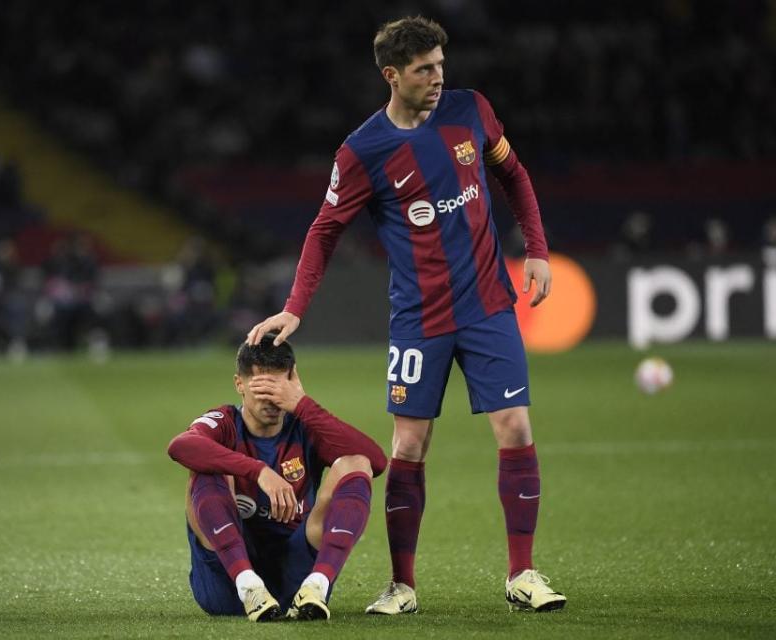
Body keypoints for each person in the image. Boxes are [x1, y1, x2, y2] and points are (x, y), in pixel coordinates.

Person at [247, 16, 566, 613]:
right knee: (410, 445)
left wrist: (539, 251)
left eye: (441, 65)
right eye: (424, 70)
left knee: (516, 428)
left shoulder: (472, 111)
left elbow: (514, 176)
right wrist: (295, 308)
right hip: (419, 319)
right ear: (392, 76)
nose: (439, 78)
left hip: (489, 305)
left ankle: (522, 574)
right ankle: (402, 584)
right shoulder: (363, 151)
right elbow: (325, 231)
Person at [167, 333, 387, 621]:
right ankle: (249, 584)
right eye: (262, 389)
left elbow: (376, 461)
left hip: (296, 581)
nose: (272, 400)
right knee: (207, 465)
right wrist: (258, 470)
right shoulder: (225, 422)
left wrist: (303, 404)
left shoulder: (304, 427)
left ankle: (318, 583)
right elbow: (180, 446)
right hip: (229, 586)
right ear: (239, 385)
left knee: (354, 463)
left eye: (279, 389)